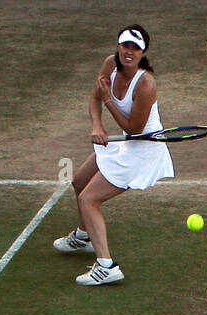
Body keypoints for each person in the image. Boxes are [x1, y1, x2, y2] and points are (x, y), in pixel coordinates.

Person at [53, 25, 175, 286]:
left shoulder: (146, 84)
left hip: (142, 150)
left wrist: (109, 101)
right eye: (125, 46)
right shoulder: (110, 63)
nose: (128, 52)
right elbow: (94, 97)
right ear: (118, 46)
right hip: (126, 144)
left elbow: (134, 129)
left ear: (144, 52)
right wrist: (97, 125)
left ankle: (106, 266)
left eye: (135, 48)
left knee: (89, 200)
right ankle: (84, 236)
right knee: (79, 181)